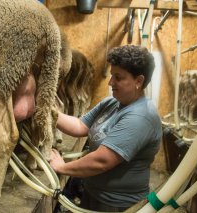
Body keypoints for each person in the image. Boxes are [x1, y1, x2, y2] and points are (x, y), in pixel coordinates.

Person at [49, 45, 162, 211]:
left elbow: (102, 161)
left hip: (117, 204)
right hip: (94, 193)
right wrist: (48, 112)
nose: (110, 82)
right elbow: (80, 126)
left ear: (139, 81)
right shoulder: (113, 102)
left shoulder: (140, 117)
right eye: (111, 76)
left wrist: (62, 167)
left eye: (118, 77)